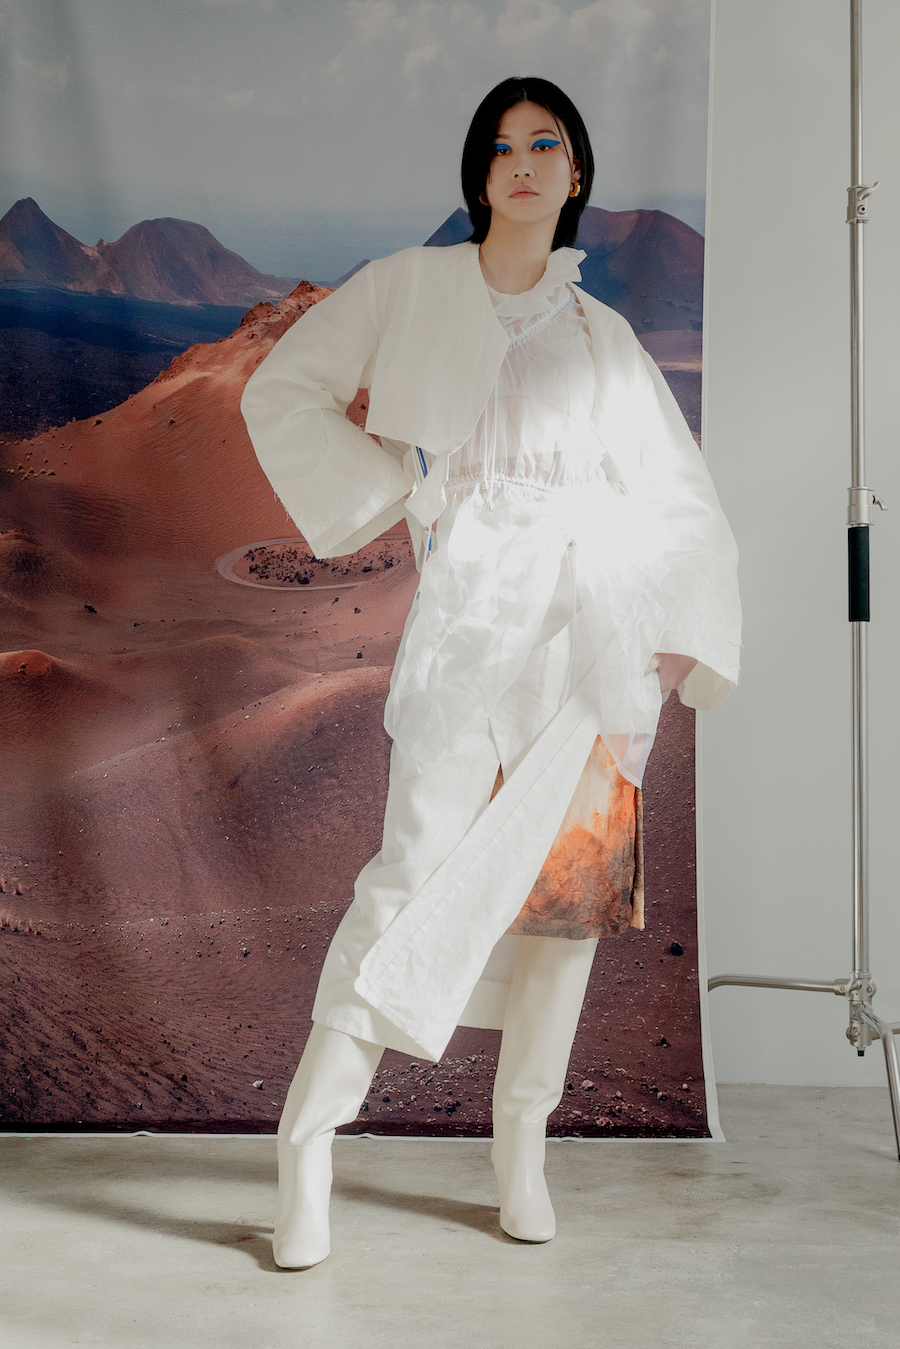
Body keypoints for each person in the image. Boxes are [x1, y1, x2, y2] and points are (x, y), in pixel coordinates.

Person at [240, 76, 741, 1268]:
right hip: (469, 624)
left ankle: (523, 1150)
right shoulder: (409, 287)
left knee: (571, 902)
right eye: (503, 145)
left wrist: (679, 625)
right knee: (408, 873)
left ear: (576, 174)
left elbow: (678, 491)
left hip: (594, 641)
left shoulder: (604, 338)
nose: (523, 161)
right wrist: (394, 491)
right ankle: (306, 1150)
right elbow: (284, 387)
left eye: (545, 143)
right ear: (479, 175)